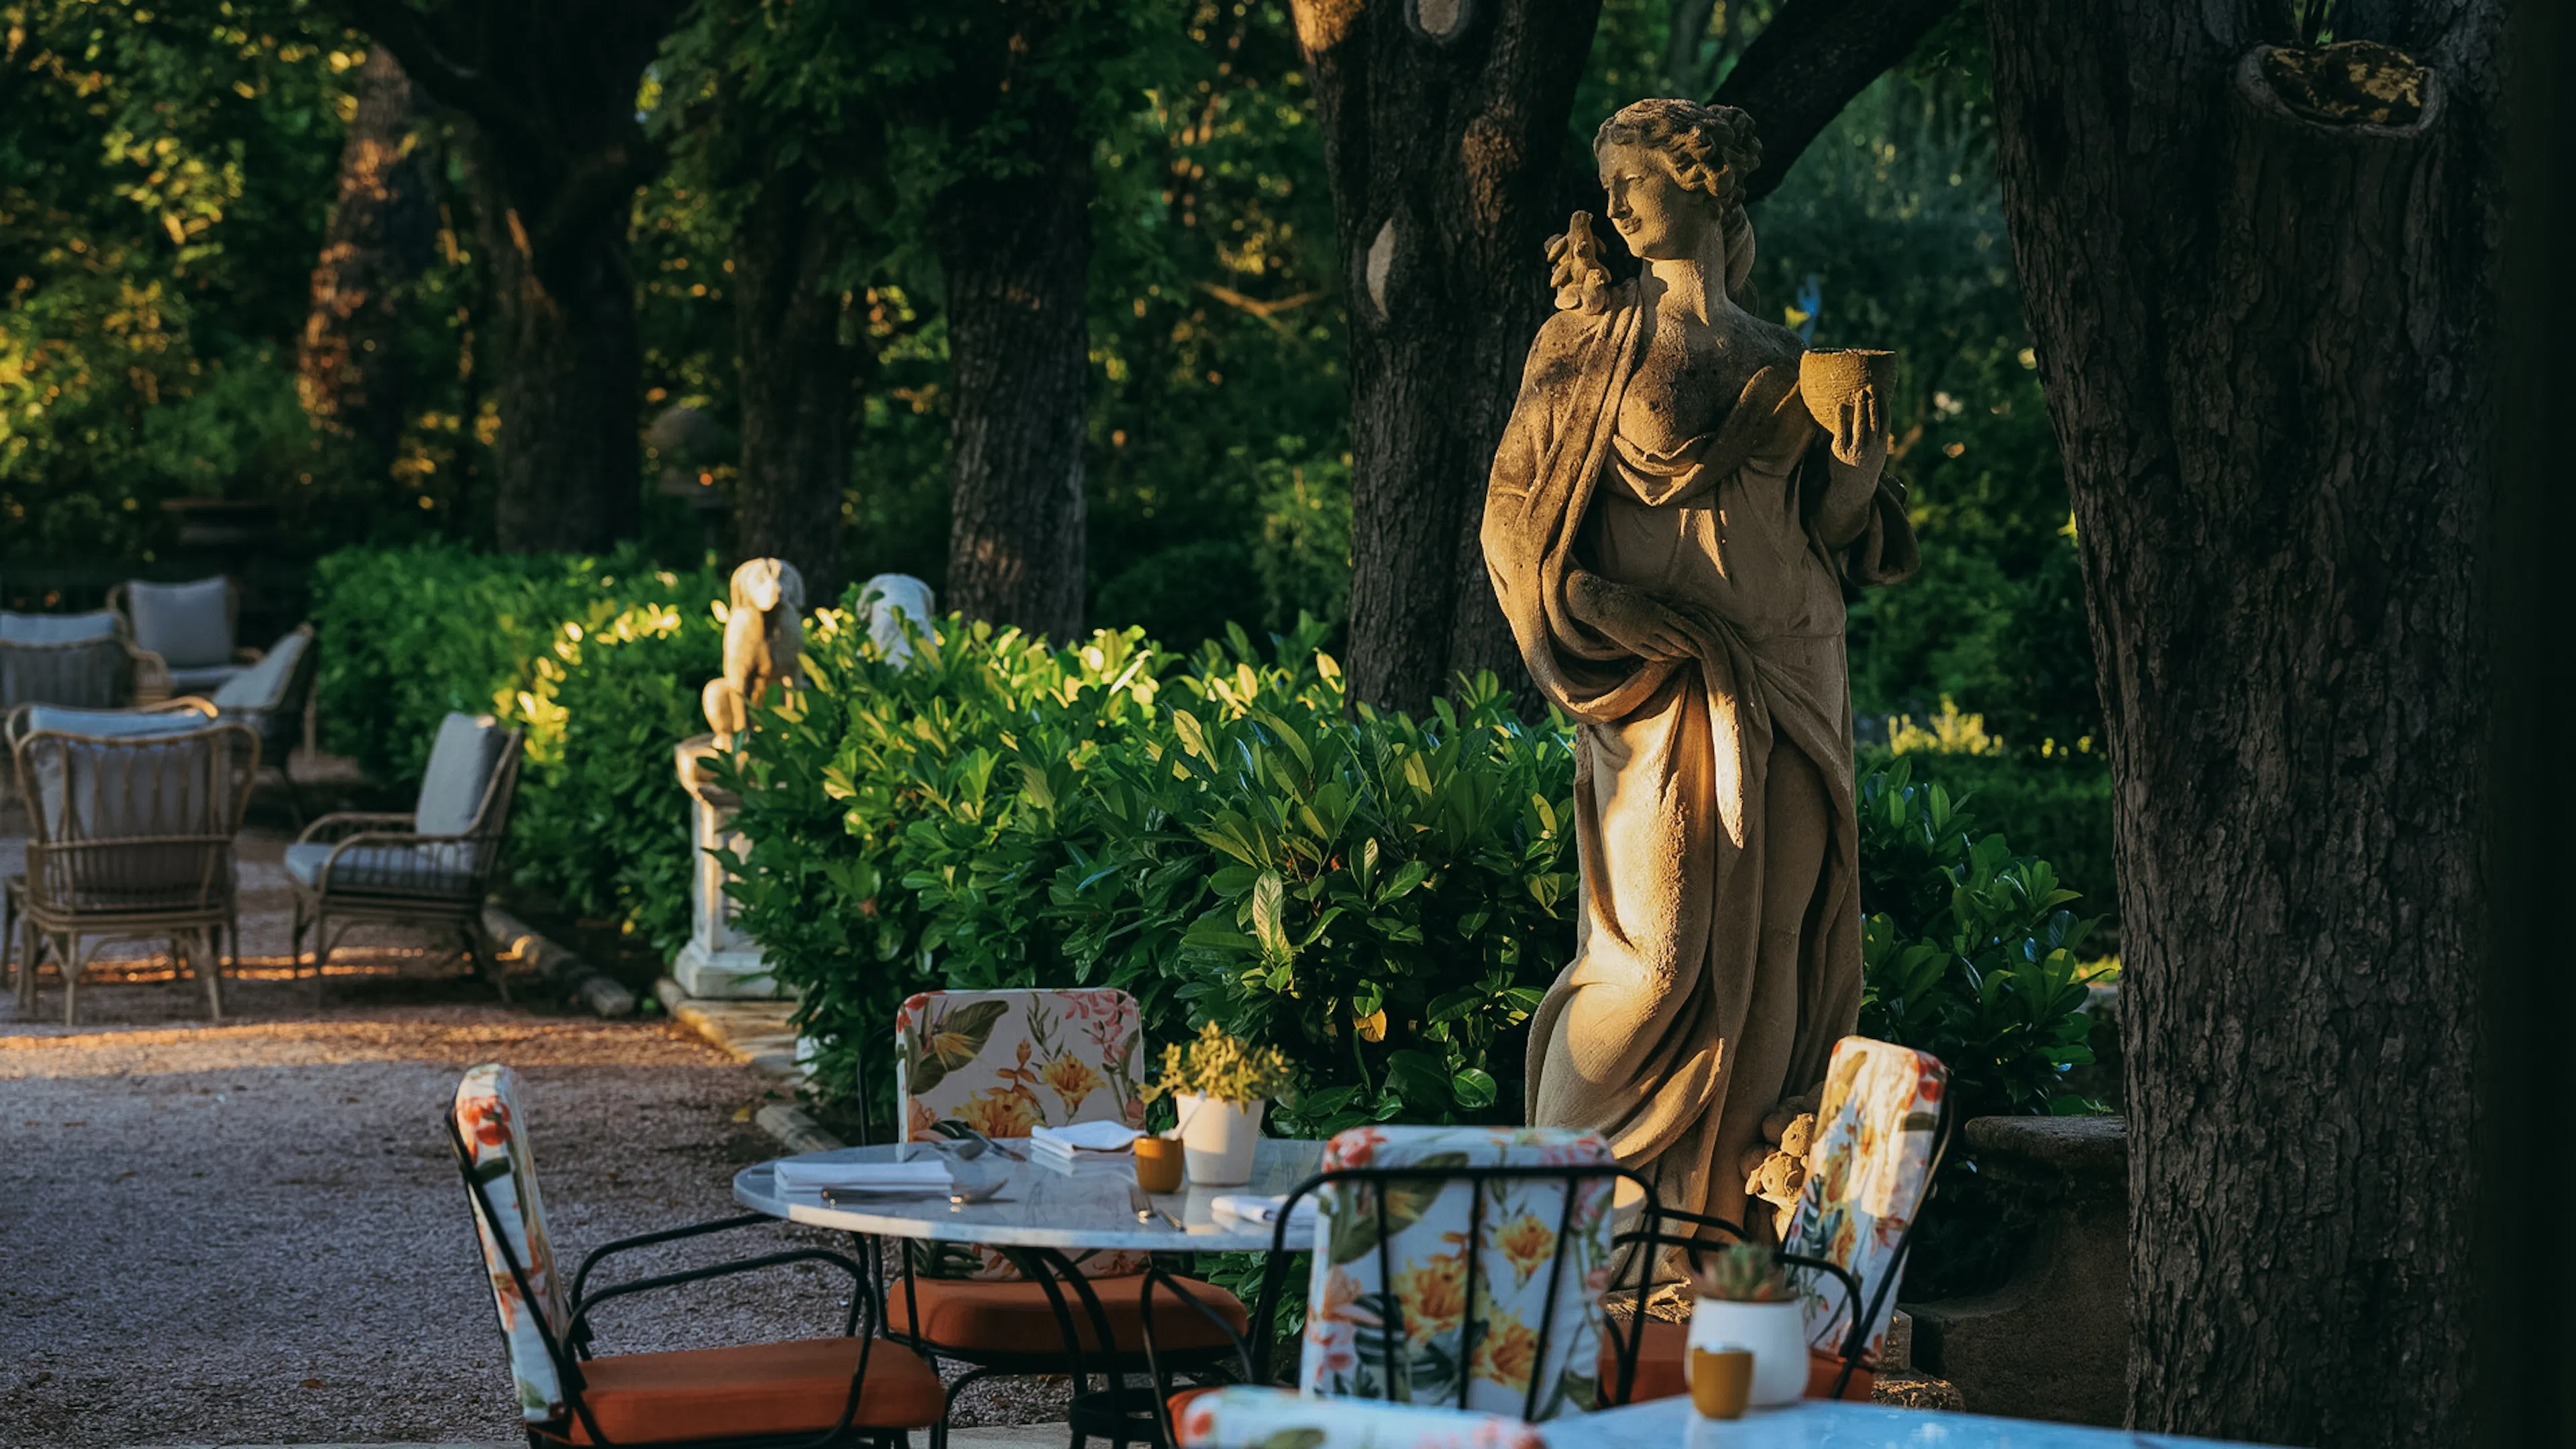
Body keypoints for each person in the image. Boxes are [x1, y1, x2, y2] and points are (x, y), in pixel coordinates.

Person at [1482, 97, 1917, 1242]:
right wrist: (1596, 601)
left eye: (1636, 177)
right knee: (1650, 958)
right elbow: (1516, 522)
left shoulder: (1786, 357)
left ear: (1707, 180)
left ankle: (1711, 1241)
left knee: (1777, 942)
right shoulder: (1583, 343)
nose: (1615, 202)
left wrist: (1862, 467)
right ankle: (1559, 1223)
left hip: (1791, 668)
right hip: (1661, 685)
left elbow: (1832, 531)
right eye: (1611, 182)